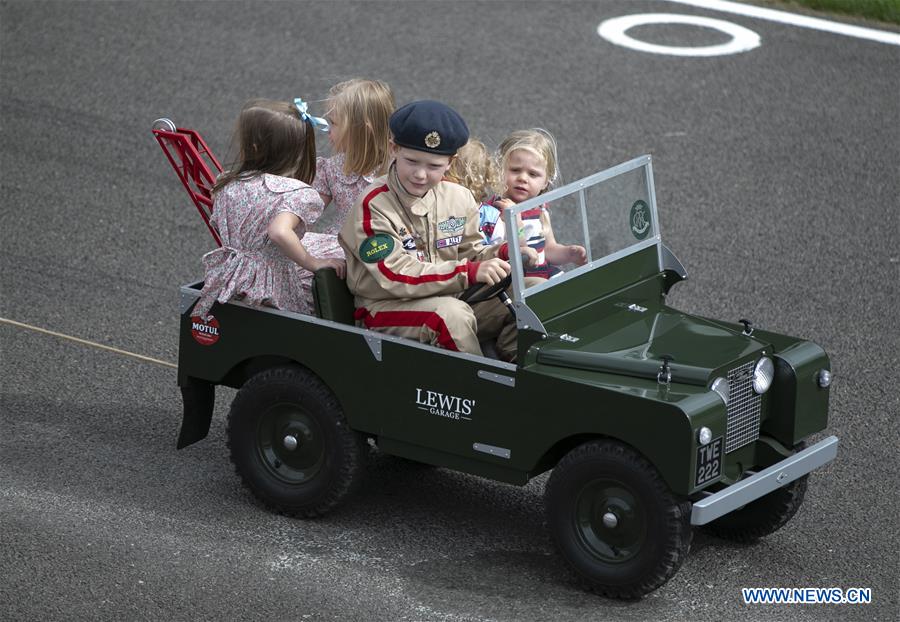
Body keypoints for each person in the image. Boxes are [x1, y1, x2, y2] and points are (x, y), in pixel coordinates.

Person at [338, 100, 521, 361]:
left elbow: (471, 252)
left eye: (434, 166)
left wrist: (504, 252)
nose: (421, 175)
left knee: (531, 293)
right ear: (393, 149)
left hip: (448, 295)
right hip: (385, 307)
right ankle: (480, 393)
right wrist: (467, 272)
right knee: (449, 316)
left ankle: (520, 375)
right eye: (412, 161)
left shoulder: (459, 198)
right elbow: (395, 275)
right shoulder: (374, 205)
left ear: (450, 162)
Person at [193, 99, 345, 319]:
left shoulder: (228, 182)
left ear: (254, 148)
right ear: (299, 150)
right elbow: (279, 231)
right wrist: (313, 263)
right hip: (269, 284)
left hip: (230, 275)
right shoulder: (295, 193)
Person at [492, 129, 587, 279]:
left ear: (545, 181)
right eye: (515, 170)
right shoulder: (497, 209)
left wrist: (568, 253)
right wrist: (514, 221)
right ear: (499, 170)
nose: (523, 178)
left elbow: (548, 249)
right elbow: (517, 250)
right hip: (516, 281)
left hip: (543, 273)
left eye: (533, 174)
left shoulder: (540, 208)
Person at [312, 79, 395, 236]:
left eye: (333, 123)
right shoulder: (332, 168)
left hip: (391, 244)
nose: (328, 129)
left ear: (362, 131)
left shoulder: (399, 168)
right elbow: (308, 214)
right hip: (344, 243)